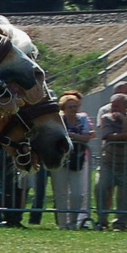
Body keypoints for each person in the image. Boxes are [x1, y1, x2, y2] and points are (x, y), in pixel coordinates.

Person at [95, 91, 127, 230]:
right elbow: (107, 136)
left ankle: (120, 224)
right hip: (108, 163)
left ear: (126, 108)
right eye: (112, 106)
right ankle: (102, 221)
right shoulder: (106, 118)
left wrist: (123, 121)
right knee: (100, 188)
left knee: (125, 197)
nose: (113, 110)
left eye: (117, 107)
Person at [52, 90, 94, 229]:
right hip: (61, 160)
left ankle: (74, 222)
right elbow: (57, 136)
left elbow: (87, 137)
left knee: (78, 194)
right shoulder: (59, 119)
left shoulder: (82, 118)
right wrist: (76, 136)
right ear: (64, 108)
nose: (73, 109)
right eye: (70, 107)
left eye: (75, 106)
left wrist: (71, 135)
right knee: (61, 193)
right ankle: (63, 224)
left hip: (79, 159)